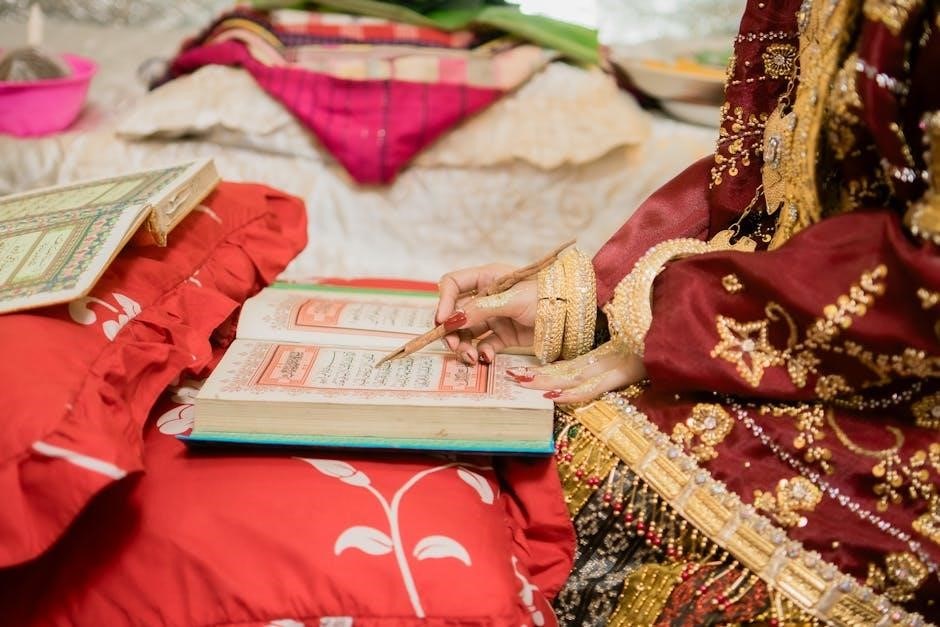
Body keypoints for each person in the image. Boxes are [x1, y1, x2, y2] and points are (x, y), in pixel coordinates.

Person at [434, 0, 939, 624]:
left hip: (902, 389)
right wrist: (595, 295)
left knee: (578, 496)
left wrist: (677, 313)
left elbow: (924, 270)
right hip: (785, 324)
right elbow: (766, 171)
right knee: (493, 457)